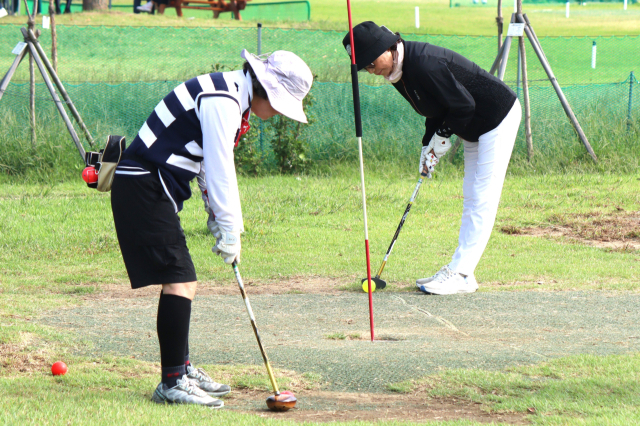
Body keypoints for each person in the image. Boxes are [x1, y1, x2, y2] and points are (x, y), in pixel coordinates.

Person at [110, 50, 313, 406]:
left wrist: (217, 218)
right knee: (181, 278)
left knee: (182, 278)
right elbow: (221, 167)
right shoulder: (224, 99)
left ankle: (181, 369)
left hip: (149, 185)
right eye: (282, 103)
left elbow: (202, 163)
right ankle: (172, 382)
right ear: (267, 88)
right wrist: (232, 227)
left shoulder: (231, 93)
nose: (279, 112)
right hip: (142, 184)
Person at [343, 21, 521, 296]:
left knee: (483, 195)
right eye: (364, 66)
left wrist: (443, 137)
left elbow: (464, 104)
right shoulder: (397, 71)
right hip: (473, 126)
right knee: (471, 196)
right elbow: (434, 107)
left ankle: (460, 273)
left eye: (369, 61)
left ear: (387, 48)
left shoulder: (424, 63)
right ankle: (463, 272)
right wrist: (428, 145)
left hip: (496, 117)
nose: (370, 69)